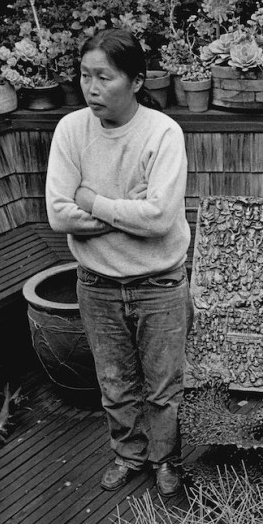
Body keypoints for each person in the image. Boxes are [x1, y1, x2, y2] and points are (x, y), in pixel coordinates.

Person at [45, 28, 192, 497]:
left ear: (135, 80)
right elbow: (57, 213)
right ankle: (129, 455)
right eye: (85, 76)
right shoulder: (70, 130)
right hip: (96, 282)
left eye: (104, 77)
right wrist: (123, 211)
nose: (91, 88)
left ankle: (166, 460)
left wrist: (90, 200)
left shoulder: (162, 132)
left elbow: (160, 216)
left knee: (164, 386)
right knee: (113, 382)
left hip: (161, 284)